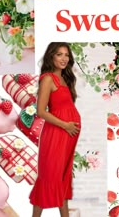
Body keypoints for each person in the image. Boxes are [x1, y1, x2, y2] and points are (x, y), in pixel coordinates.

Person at [29, 42, 81, 217]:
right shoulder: (48, 78)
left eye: (66, 55)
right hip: (55, 135)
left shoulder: (65, 79)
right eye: (59, 54)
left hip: (67, 138)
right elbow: (41, 111)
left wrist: (69, 127)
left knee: (62, 181)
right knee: (48, 179)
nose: (64, 58)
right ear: (51, 56)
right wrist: (66, 125)